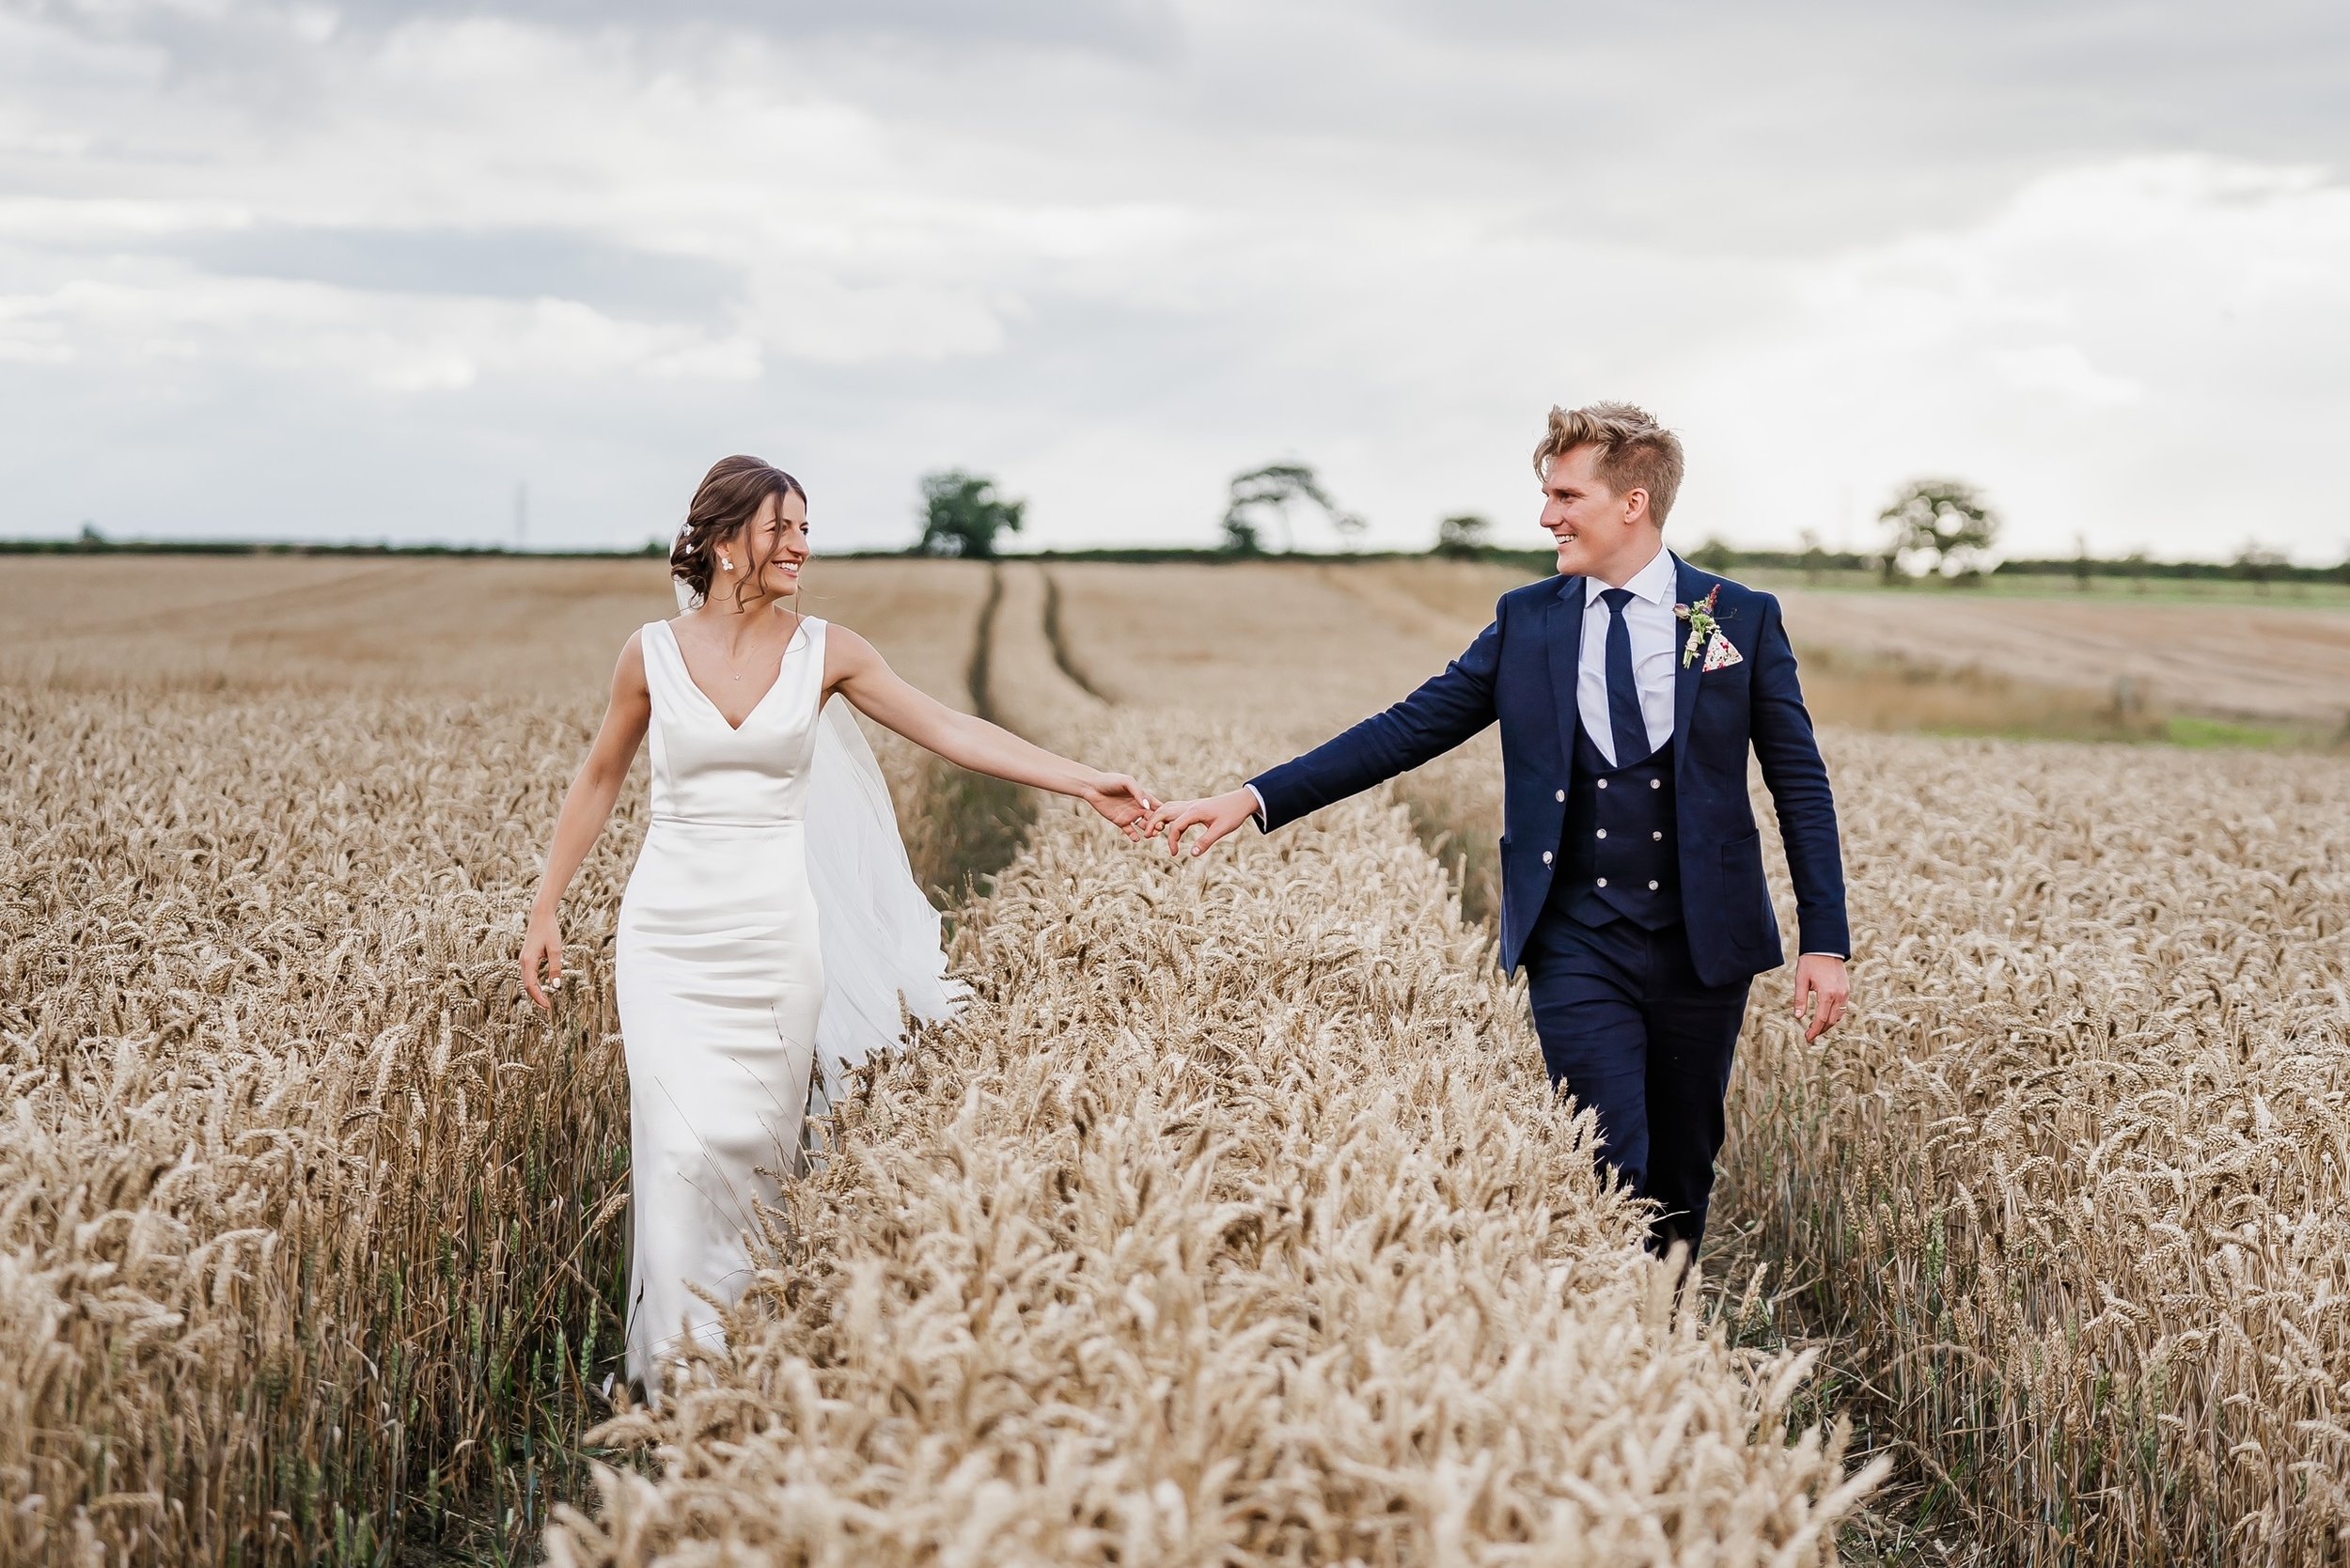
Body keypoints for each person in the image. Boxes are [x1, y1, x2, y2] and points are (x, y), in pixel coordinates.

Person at [521, 455, 1158, 1399]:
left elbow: (948, 728)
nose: (802, 548)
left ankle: (751, 1363)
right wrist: (546, 905)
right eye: (784, 529)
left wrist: (1079, 780)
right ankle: (675, 1377)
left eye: (807, 530)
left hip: (776, 925)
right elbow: (602, 776)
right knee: (678, 1145)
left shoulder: (830, 650)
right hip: (668, 930)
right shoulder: (647, 653)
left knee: (757, 1143)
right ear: (725, 540)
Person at [1152, 402, 1851, 1260]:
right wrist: (1255, 797)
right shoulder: (1529, 621)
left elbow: (1799, 783)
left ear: (1632, 502)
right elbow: (1406, 729)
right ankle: (1603, 1342)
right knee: (1608, 1167)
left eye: (1566, 495)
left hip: (1706, 942)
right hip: (1575, 938)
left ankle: (1661, 1350)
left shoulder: (1734, 616)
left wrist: (1827, 939)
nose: (1547, 516)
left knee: (1681, 1175)